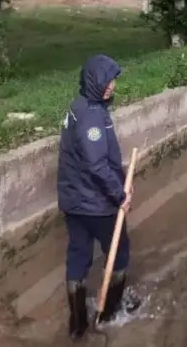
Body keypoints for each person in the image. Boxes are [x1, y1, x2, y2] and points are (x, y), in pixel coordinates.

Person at [57, 54, 141, 340]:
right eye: (107, 81)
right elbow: (96, 165)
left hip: (73, 200)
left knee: (78, 254)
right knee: (119, 251)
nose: (112, 86)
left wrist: (121, 174)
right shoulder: (92, 117)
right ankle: (110, 311)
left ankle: (78, 324)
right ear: (94, 82)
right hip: (96, 203)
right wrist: (120, 195)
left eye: (113, 80)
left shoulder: (79, 106)